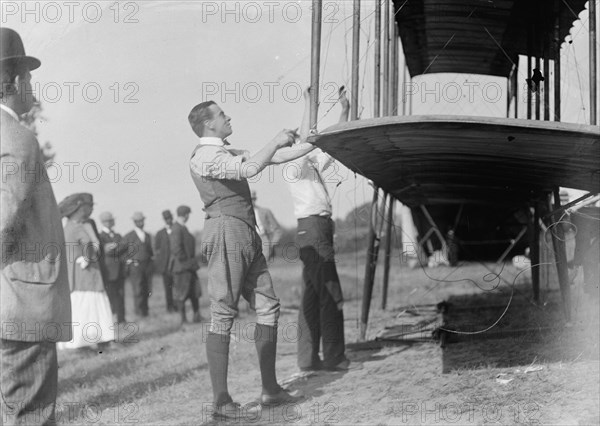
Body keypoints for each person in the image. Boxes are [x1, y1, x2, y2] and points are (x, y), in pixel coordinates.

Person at [187, 100, 316, 419]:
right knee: (223, 311)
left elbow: (285, 154)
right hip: (226, 231)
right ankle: (221, 402)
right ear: (208, 125)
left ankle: (270, 390)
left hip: (244, 231)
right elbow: (251, 168)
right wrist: (274, 140)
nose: (228, 117)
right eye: (221, 115)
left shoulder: (226, 151)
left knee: (268, 305)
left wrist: (310, 109)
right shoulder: (205, 155)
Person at [0, 27, 72, 425]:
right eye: (28, 78)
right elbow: (5, 219)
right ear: (14, 81)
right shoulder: (16, 137)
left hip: (10, 300)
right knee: (30, 415)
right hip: (22, 303)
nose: (32, 87)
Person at [288, 86, 350, 372]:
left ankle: (308, 359)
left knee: (312, 297)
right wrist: (308, 102)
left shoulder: (309, 166)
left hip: (315, 228)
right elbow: (305, 136)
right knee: (330, 293)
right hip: (313, 228)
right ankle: (334, 357)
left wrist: (344, 111)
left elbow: (331, 147)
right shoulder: (293, 165)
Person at [58, 193, 115, 350]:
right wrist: (86, 257)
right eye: (89, 206)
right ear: (80, 208)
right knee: (86, 305)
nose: (91, 209)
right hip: (82, 275)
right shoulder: (72, 228)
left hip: (87, 273)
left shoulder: (80, 225)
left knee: (92, 305)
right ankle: (84, 343)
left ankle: (100, 341)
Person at [169, 205, 201, 326]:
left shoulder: (182, 227)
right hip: (181, 268)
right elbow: (176, 249)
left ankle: (197, 316)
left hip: (188, 266)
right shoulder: (176, 228)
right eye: (188, 214)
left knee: (194, 292)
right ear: (186, 215)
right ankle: (183, 320)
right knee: (182, 294)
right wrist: (188, 263)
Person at [99, 211, 129, 324]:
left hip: (120, 270)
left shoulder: (117, 235)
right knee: (111, 296)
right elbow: (106, 251)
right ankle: (111, 319)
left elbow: (125, 246)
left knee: (121, 296)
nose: (111, 222)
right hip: (109, 271)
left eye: (111, 220)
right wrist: (118, 247)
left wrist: (114, 247)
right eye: (109, 221)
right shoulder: (100, 236)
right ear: (104, 222)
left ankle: (121, 319)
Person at [123, 212, 154, 318]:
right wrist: (128, 261)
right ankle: (139, 312)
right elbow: (121, 250)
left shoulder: (147, 235)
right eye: (138, 221)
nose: (141, 223)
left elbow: (150, 251)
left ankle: (145, 311)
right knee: (138, 289)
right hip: (135, 266)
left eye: (142, 221)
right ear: (135, 222)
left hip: (146, 265)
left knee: (147, 289)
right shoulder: (129, 236)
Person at [154, 210, 176, 312]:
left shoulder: (177, 229)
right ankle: (170, 308)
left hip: (176, 265)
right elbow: (157, 250)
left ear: (172, 218)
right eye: (166, 219)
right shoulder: (160, 233)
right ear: (164, 220)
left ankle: (178, 307)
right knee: (168, 288)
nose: (168, 220)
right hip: (166, 267)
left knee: (177, 288)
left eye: (170, 218)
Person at [252, 191, 283, 261]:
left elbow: (277, 229)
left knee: (264, 265)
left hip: (263, 239)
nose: (251, 201)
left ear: (255, 199)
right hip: (249, 240)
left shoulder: (265, 211)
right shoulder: (242, 214)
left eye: (253, 199)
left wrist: (272, 243)